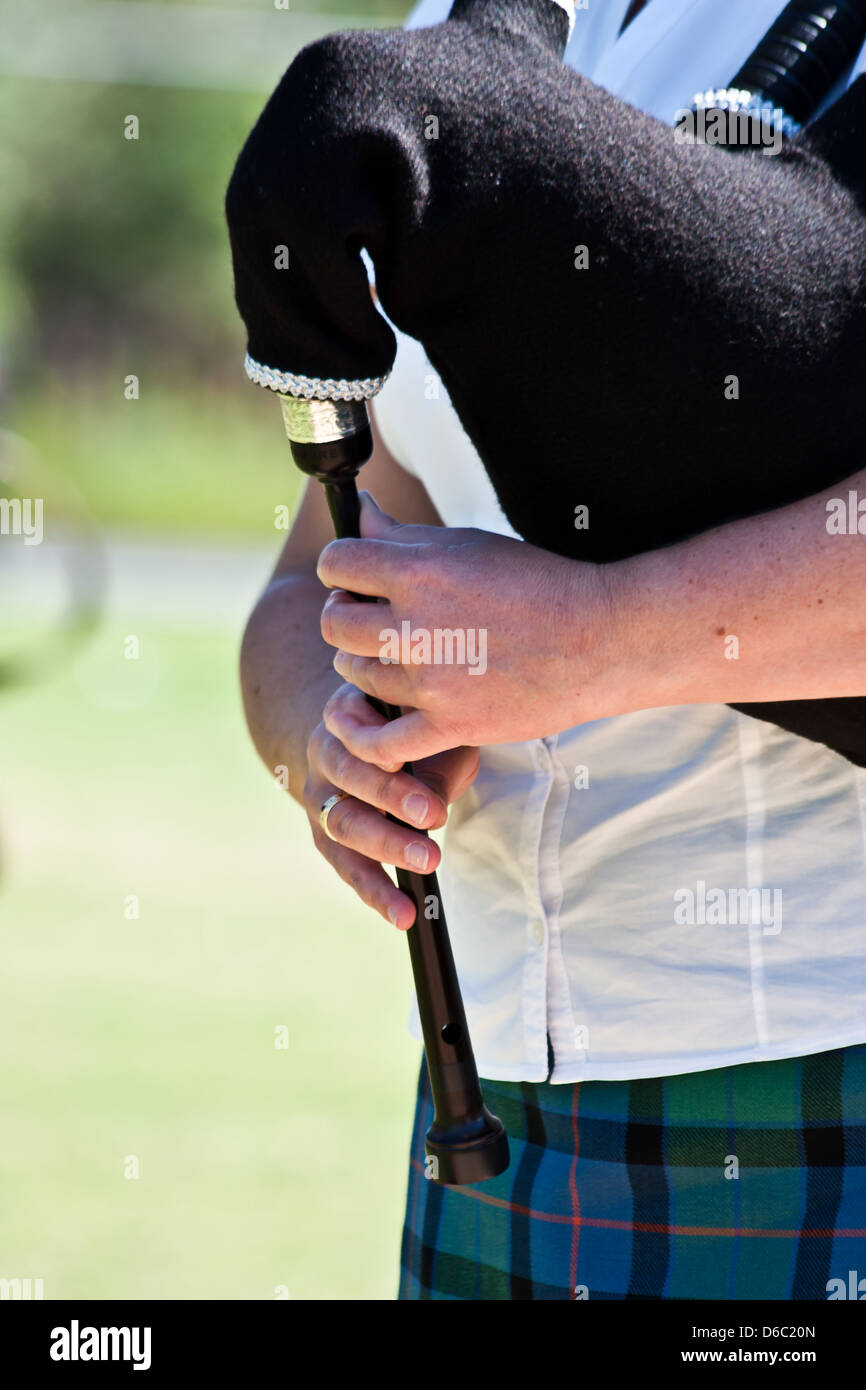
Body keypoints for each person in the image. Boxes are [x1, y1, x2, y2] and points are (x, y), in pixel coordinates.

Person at [239, 0, 866, 1299]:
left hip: (818, 1064)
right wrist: (325, 742)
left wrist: (601, 640)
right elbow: (313, 574)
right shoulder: (462, 28)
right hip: (491, 1112)